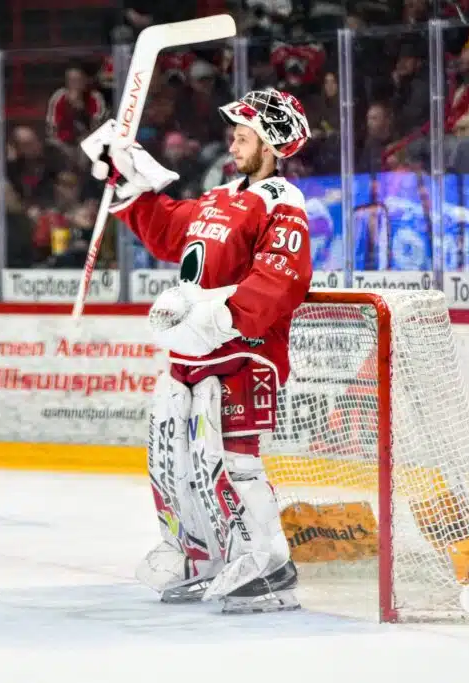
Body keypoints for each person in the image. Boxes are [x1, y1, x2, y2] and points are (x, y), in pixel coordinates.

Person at [80, 88, 312, 613]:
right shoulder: (220, 197)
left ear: (271, 145)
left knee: (234, 463)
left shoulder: (283, 203)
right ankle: (204, 556)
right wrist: (128, 183)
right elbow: (170, 233)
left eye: (244, 136)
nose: (233, 143)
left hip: (243, 354)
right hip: (192, 355)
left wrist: (219, 318)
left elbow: (282, 278)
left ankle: (270, 565)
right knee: (177, 461)